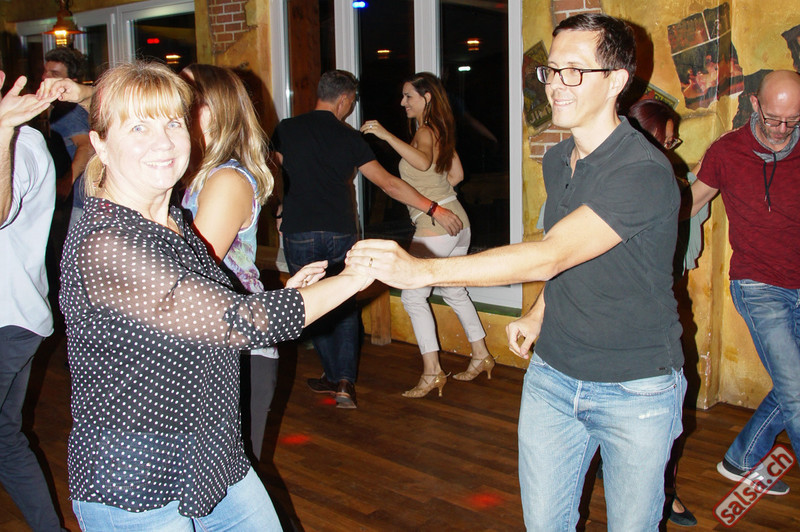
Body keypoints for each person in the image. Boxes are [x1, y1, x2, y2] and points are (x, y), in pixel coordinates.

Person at [347, 14, 686, 530]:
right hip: (552, 376)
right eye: (552, 70)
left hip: (634, 388)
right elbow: (572, 257)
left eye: (575, 71)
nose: (556, 84)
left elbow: (550, 254)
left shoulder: (642, 171)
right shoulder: (558, 159)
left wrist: (419, 271)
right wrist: (537, 313)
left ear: (617, 80)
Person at [40, 60, 371, 531]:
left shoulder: (174, 219)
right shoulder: (107, 241)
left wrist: (287, 292)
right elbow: (239, 322)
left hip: (214, 453)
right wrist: (356, 277)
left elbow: (209, 302)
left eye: (173, 123)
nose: (163, 142)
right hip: (138, 477)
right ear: (100, 144)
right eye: (138, 127)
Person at [273, 69, 463, 408]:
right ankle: (344, 381)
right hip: (339, 231)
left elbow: (275, 173)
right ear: (345, 99)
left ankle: (332, 374)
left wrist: (279, 209)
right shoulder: (349, 137)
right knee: (345, 302)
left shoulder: (286, 129)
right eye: (352, 102)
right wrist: (433, 208)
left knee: (310, 301)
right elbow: (388, 183)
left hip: (299, 230)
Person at [178, 64, 326, 461]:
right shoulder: (200, 175)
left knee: (235, 478)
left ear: (215, 109)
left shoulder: (226, 180)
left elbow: (191, 268)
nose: (174, 103)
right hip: (217, 340)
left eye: (186, 96)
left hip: (238, 346)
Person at [690, 69, 800, 496]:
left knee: (793, 385)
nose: (783, 129)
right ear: (755, 104)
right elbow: (689, 202)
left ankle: (742, 458)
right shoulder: (727, 151)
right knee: (796, 392)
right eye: (774, 118)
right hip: (759, 286)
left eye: (793, 120)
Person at [361, 72, 493, 398]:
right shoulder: (440, 131)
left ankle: (433, 372)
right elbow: (457, 175)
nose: (402, 102)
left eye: (409, 96)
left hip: (436, 225)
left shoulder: (423, 131)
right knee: (455, 291)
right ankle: (481, 355)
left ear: (426, 98)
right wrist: (437, 190)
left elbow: (421, 164)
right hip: (457, 221)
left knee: (412, 296)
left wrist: (385, 135)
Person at [626, 98, 699, 527]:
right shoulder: (611, 178)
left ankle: (664, 491)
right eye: (667, 141)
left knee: (660, 416)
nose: (672, 149)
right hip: (620, 315)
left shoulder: (670, 177)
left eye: (673, 142)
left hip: (656, 302)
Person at [0, 72, 65, 531]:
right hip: (14, 319)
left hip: (7, 320)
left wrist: (3, 130)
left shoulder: (20, 143)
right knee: (4, 439)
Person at [42, 47, 93, 227]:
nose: (46, 77)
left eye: (54, 74)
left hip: (79, 199)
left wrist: (65, 184)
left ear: (72, 82)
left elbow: (87, 146)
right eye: (46, 71)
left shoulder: (67, 110)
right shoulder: (62, 108)